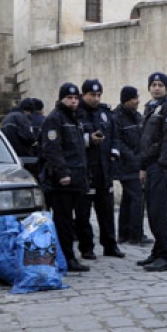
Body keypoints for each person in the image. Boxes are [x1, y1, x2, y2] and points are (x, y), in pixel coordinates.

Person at [40, 82, 90, 272]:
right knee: (64, 222)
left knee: (78, 219)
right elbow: (52, 149)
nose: (73, 101)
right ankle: (66, 258)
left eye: (76, 98)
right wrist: (62, 173)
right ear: (61, 99)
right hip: (63, 181)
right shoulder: (55, 119)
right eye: (69, 98)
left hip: (77, 178)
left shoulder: (76, 119)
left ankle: (70, 256)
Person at [75, 79, 125, 260]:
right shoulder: (77, 113)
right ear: (84, 95)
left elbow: (115, 136)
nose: (96, 99)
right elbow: (72, 139)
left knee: (107, 212)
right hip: (86, 171)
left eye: (98, 95)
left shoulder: (105, 113)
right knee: (83, 214)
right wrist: (88, 140)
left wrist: (114, 153)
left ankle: (110, 245)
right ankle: (86, 248)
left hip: (104, 170)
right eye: (92, 95)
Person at [137, 72, 167, 272]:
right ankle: (157, 251)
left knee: (158, 212)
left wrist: (162, 166)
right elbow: (145, 141)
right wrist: (143, 167)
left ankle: (166, 256)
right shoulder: (150, 108)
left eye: (160, 85)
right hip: (151, 165)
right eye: (153, 84)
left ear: (166, 87)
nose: (156, 88)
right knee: (152, 211)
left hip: (162, 166)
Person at [113, 86, 152, 245]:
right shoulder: (116, 118)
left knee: (129, 199)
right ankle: (136, 235)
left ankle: (124, 234)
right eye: (134, 98)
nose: (138, 101)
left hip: (138, 163)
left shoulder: (137, 116)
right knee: (137, 198)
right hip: (126, 165)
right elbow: (118, 142)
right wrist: (134, 159)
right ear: (127, 100)